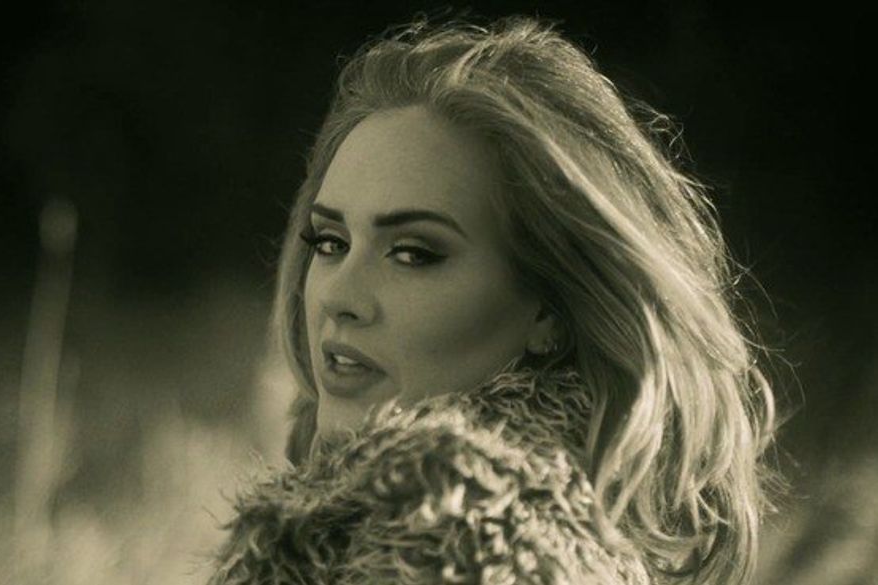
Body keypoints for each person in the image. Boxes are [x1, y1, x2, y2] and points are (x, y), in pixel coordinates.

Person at [211, 14, 777, 585]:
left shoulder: (468, 554)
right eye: (331, 242)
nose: (338, 296)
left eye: (412, 254)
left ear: (551, 308)